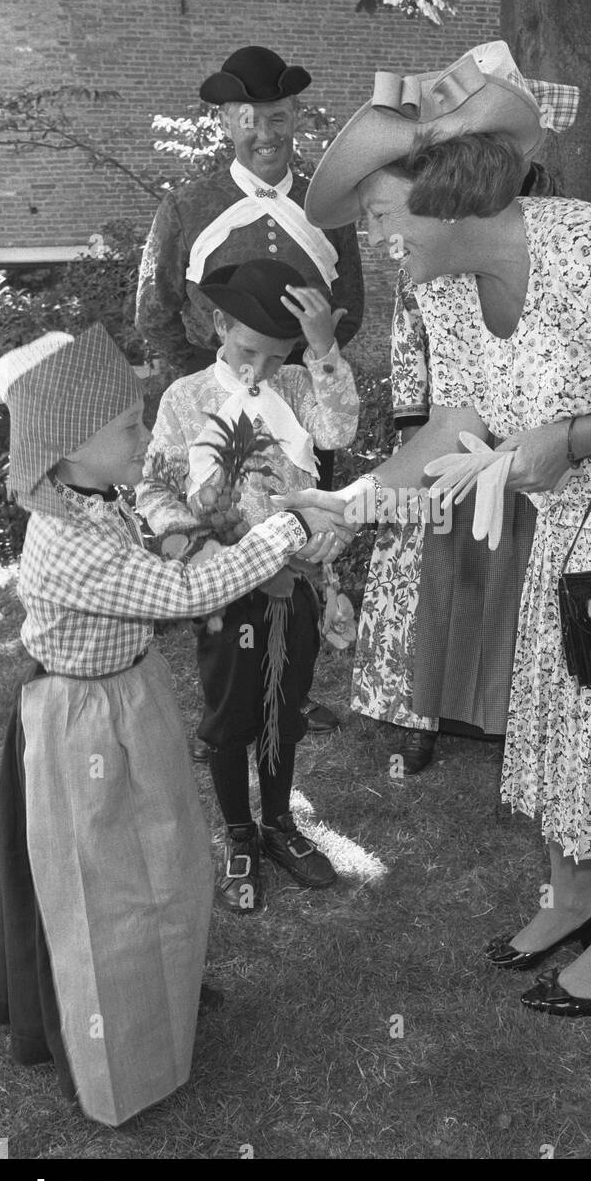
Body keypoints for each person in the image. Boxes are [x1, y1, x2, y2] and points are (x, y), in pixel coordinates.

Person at [282, 40, 591, 1019]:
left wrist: (579, 436)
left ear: (439, 188)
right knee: (557, 700)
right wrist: (355, 501)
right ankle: (572, 894)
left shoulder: (586, 251)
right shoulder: (444, 291)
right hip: (574, 512)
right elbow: (457, 425)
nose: (376, 243)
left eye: (376, 216)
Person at [0, 324, 340, 1126]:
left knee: (169, 858)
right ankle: (119, 1053)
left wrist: (189, 529)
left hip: (126, 695)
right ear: (69, 446)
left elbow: (157, 555)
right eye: (127, 427)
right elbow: (184, 596)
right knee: (107, 891)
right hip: (81, 720)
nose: (146, 436)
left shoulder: (93, 497)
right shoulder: (64, 541)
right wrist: (287, 528)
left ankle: (161, 988)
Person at [136, 44, 365, 735]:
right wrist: (204, 389)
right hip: (211, 409)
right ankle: (227, 700)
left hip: (299, 405)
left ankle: (288, 688)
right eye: (247, 118)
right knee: (219, 552)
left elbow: (347, 307)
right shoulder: (190, 204)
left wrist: (297, 375)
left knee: (294, 550)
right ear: (225, 123)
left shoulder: (326, 207)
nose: (264, 133)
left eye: (276, 115)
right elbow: (156, 306)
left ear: (295, 113)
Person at [137, 259, 359, 912]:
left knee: (283, 710)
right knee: (232, 714)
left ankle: (278, 825)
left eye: (275, 357)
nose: (258, 371)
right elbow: (154, 488)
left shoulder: (296, 387)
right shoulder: (185, 399)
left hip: (293, 580)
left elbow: (339, 429)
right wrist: (194, 543)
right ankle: (238, 831)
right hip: (225, 584)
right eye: (246, 352)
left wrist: (322, 352)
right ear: (217, 325)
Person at [351, 267, 536, 772]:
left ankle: (508, 717)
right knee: (426, 583)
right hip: (439, 437)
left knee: (512, 578)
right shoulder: (421, 265)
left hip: (527, 442)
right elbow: (410, 353)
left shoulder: (534, 261)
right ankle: (417, 716)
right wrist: (414, 444)